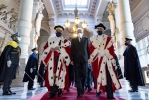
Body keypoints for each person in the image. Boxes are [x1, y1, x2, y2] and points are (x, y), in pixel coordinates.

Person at [89, 23, 121, 100]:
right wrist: (98, 51)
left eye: (101, 29)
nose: (99, 30)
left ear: (103, 30)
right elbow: (91, 49)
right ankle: (99, 90)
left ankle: (110, 95)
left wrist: (105, 52)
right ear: (96, 30)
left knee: (109, 78)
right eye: (98, 29)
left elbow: (111, 50)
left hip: (107, 61)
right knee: (98, 77)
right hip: (98, 61)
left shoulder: (108, 39)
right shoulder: (93, 39)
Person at [41, 25, 71, 98]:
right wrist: (50, 49)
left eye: (60, 31)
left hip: (61, 60)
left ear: (62, 32)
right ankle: (53, 90)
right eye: (57, 31)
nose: (58, 32)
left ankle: (60, 89)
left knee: (60, 74)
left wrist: (60, 48)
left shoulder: (65, 41)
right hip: (52, 60)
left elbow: (69, 51)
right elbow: (45, 48)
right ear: (55, 31)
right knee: (52, 75)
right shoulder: (50, 40)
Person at [70, 28, 90, 98]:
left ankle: (82, 88)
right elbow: (71, 51)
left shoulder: (86, 39)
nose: (79, 32)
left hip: (85, 60)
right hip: (76, 60)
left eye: (80, 31)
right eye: (78, 31)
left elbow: (88, 50)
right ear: (76, 32)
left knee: (84, 75)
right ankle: (79, 91)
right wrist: (71, 59)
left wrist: (89, 59)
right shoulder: (73, 40)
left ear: (82, 32)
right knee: (77, 76)